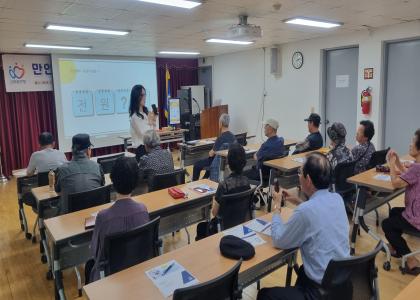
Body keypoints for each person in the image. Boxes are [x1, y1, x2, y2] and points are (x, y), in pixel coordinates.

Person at [257, 153, 349, 300]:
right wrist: (299, 201)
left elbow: (279, 239)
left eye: (300, 172)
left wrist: (276, 208)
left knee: (264, 294)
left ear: (308, 180)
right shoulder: (337, 199)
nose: (298, 175)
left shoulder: (305, 211)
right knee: (303, 273)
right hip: (342, 284)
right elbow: (319, 213)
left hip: (319, 292)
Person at [86, 156, 149, 283]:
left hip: (110, 278)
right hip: (137, 272)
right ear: (136, 182)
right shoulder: (143, 209)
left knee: (89, 266)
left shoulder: (103, 217)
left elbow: (95, 251)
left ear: (112, 181)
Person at [381, 129, 420, 275]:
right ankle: (395, 247)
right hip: (415, 212)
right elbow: (408, 175)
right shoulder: (417, 167)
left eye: (413, 142)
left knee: (387, 225)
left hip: (416, 218)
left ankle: (411, 260)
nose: (410, 145)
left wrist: (391, 164)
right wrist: (397, 160)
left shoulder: (417, 167)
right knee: (394, 212)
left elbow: (396, 183)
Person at [196, 143, 251, 240]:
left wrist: (214, 198)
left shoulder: (224, 185)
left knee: (200, 227)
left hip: (223, 228)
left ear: (228, 162)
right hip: (240, 226)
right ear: (244, 162)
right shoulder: (247, 182)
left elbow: (215, 213)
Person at [55, 134, 105, 214]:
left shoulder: (62, 169)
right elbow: (101, 188)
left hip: (69, 218)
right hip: (94, 215)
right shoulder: (97, 166)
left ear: (72, 150)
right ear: (89, 150)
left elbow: (58, 192)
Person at [192, 113, 236, 181]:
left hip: (217, 162)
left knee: (197, 165)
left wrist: (210, 151)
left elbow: (211, 154)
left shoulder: (220, 138)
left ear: (220, 123)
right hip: (228, 161)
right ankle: (205, 179)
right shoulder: (233, 136)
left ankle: (194, 183)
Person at [129, 84, 158, 162]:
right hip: (142, 150)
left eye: (145, 94)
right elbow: (144, 135)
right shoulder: (134, 116)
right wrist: (150, 122)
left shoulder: (146, 113)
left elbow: (154, 133)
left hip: (152, 147)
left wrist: (154, 121)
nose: (144, 97)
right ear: (136, 97)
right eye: (142, 95)